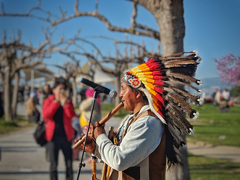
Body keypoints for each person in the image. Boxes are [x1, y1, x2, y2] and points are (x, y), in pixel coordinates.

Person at [75, 52, 202, 180]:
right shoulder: (131, 119)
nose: (120, 94)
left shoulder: (148, 123)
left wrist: (100, 136)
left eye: (124, 89)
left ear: (137, 94)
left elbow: (119, 160)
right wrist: (95, 148)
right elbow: (119, 156)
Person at [42, 77, 76, 180]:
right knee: (53, 164)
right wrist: (56, 102)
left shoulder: (67, 101)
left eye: (63, 89)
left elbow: (72, 115)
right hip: (52, 137)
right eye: (60, 89)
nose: (62, 91)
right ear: (54, 90)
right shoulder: (49, 100)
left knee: (69, 164)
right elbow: (46, 115)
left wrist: (65, 104)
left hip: (66, 136)